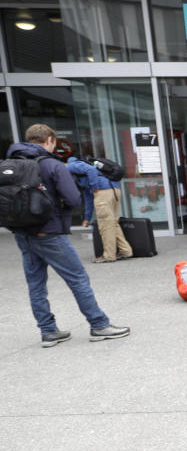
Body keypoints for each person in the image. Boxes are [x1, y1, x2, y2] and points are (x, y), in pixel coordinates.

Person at [6, 124, 130, 346]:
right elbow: (73, 199)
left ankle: (48, 331)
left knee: (36, 283)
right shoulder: (52, 165)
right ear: (49, 141)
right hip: (50, 232)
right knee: (78, 278)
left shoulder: (11, 165)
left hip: (22, 232)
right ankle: (99, 325)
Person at [66, 156, 132, 263]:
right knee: (113, 223)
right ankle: (126, 251)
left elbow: (90, 171)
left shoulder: (71, 166)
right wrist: (87, 218)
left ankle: (109, 255)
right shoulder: (85, 173)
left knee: (106, 225)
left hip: (103, 192)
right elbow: (88, 198)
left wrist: (95, 187)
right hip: (115, 190)